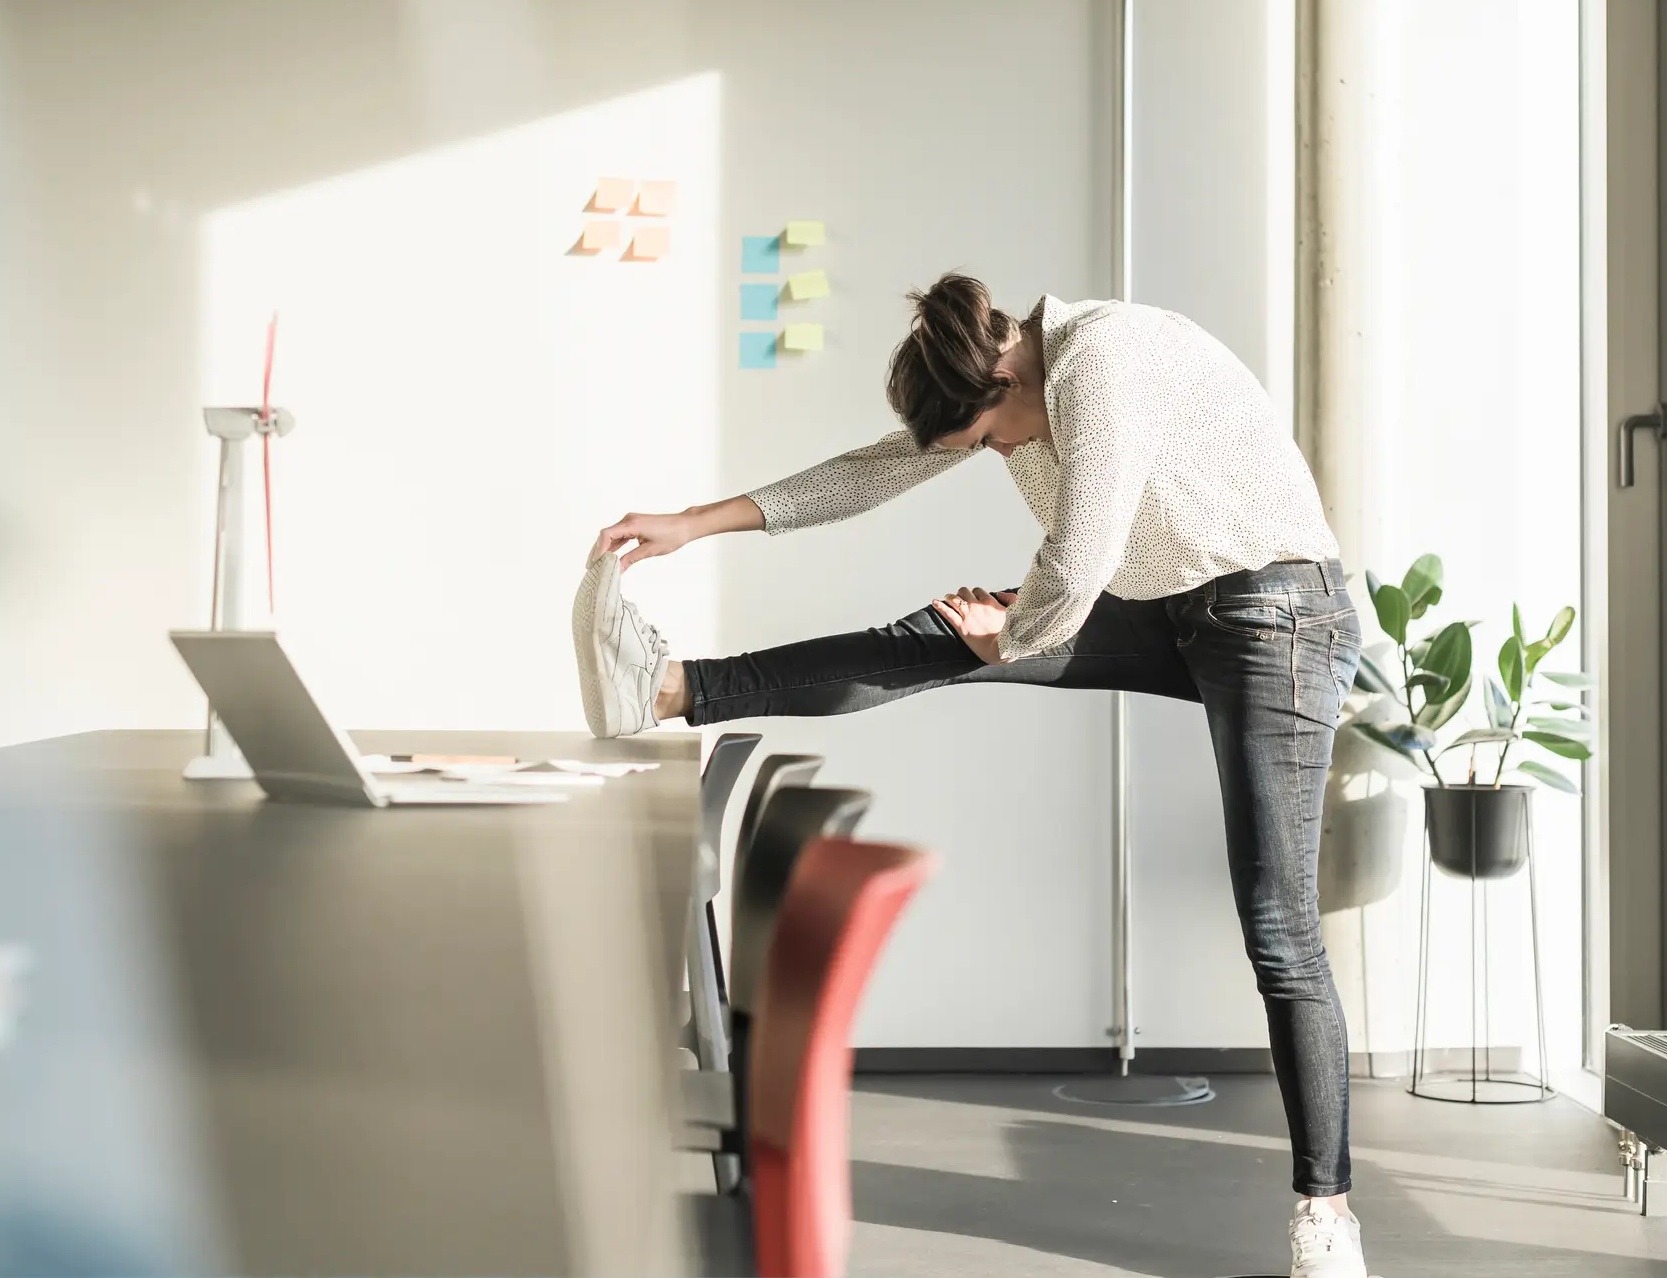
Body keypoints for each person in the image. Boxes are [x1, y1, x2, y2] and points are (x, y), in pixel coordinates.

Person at [572, 273, 1369, 1278]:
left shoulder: (1104, 359)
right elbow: (868, 473)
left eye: (990, 441)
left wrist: (1017, 633)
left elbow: (1079, 557)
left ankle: (1325, 1213)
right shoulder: (1000, 376)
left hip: (1278, 617)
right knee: (935, 634)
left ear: (1005, 377)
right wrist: (696, 521)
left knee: (1276, 922)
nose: (995, 452)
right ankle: (669, 687)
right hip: (1169, 605)